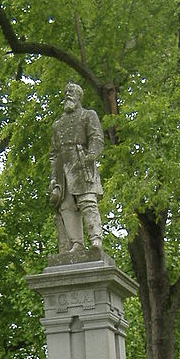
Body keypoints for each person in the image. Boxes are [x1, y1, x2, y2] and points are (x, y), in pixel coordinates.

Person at [49, 82, 104, 258]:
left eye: (72, 92)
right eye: (66, 92)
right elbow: (54, 153)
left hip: (81, 164)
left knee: (87, 202)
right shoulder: (57, 125)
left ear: (79, 96)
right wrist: (53, 178)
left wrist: (90, 157)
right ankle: (77, 243)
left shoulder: (88, 115)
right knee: (66, 206)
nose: (68, 95)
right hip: (62, 170)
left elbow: (96, 138)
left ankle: (96, 240)